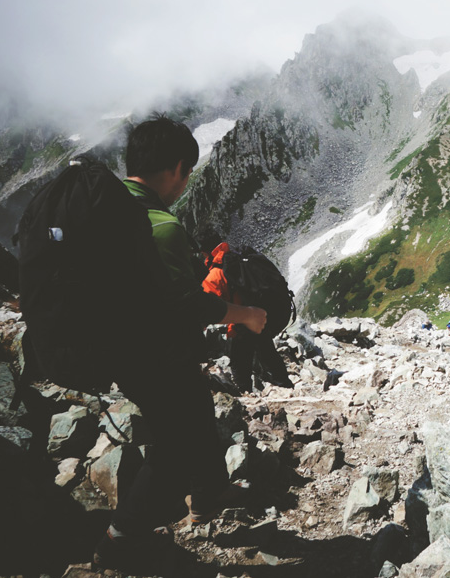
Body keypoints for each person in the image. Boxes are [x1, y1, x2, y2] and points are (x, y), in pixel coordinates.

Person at [93, 115, 267, 569]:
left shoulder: (107, 210)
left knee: (197, 408)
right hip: (155, 357)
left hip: (121, 350)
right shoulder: (159, 225)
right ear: (175, 169)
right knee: (176, 446)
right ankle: (120, 540)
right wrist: (247, 315)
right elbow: (189, 305)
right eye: (187, 172)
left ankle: (209, 493)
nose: (186, 183)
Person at [202, 242, 293, 394]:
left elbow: (205, 306)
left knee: (239, 357)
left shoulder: (216, 274)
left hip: (245, 320)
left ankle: (244, 392)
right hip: (265, 312)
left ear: (205, 253)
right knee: (265, 348)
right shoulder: (239, 258)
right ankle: (284, 384)